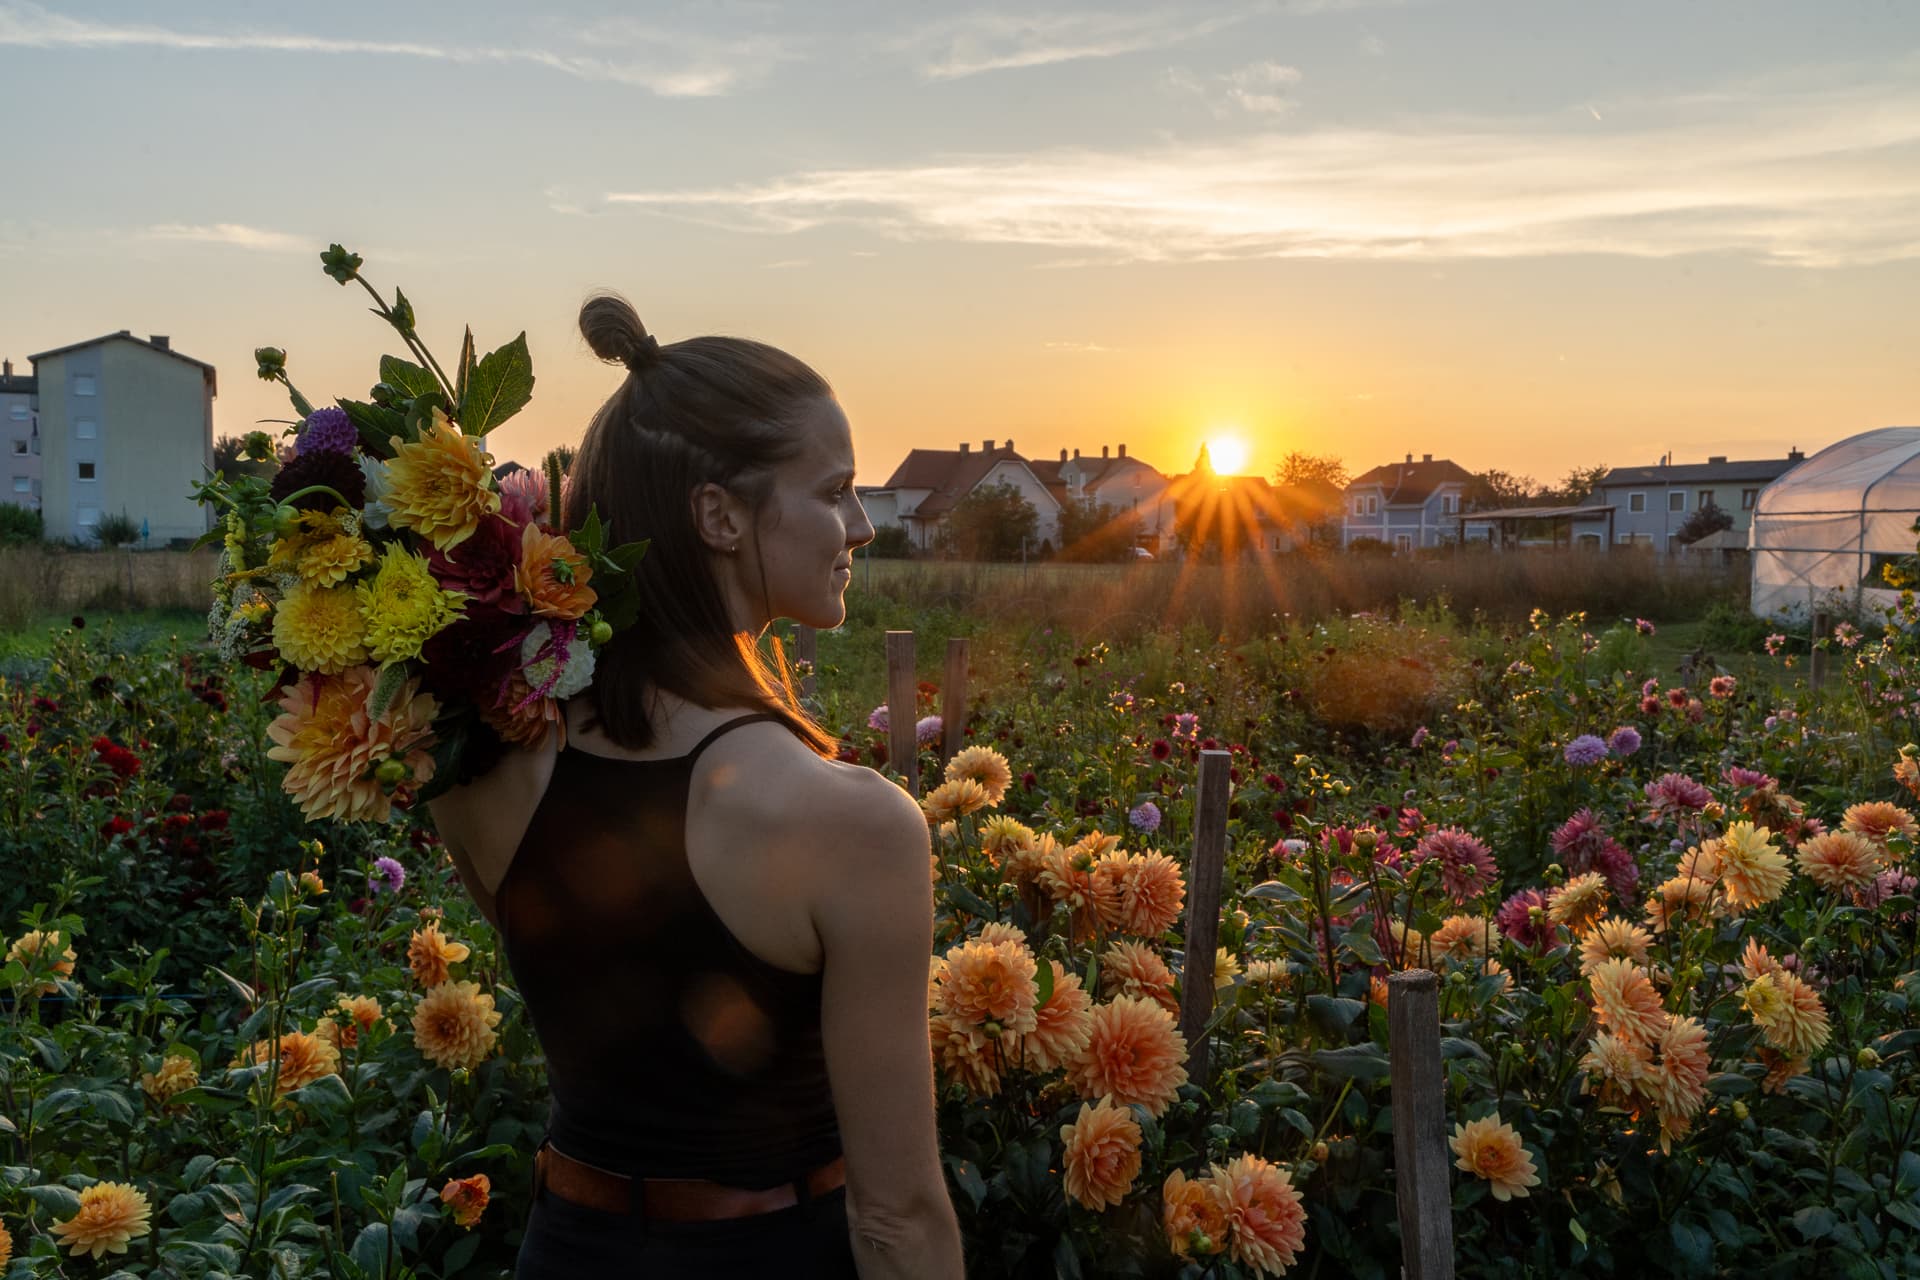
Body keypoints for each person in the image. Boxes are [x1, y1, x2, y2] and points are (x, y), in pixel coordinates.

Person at [427, 293, 963, 1279]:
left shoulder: (479, 775)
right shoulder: (852, 825)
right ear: (718, 513)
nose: (860, 524)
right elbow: (899, 1216)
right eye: (834, 489)